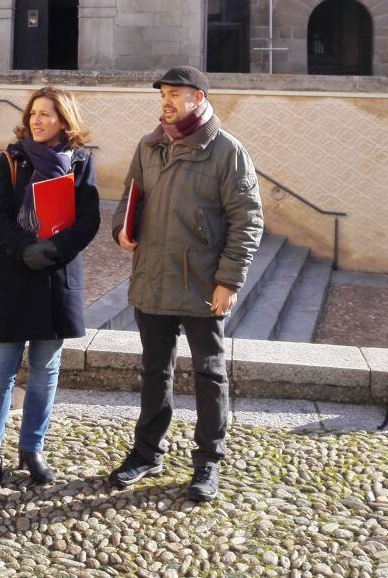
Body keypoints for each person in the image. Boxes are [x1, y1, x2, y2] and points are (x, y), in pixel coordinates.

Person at [108, 66, 263, 502]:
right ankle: (146, 453)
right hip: (152, 279)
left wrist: (228, 280)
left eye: (174, 94)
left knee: (209, 374)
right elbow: (128, 198)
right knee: (154, 371)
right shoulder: (149, 144)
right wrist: (122, 228)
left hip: (202, 284)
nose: (165, 101)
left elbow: (248, 220)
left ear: (198, 97)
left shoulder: (227, 152)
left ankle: (208, 461)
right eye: (162, 94)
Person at [0, 85, 100, 493]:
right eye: (34, 113)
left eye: (47, 114)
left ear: (64, 120)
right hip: (14, 277)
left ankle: (32, 449)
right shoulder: (11, 159)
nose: (37, 119)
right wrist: (24, 248)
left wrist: (54, 249)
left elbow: (89, 220)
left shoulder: (80, 163)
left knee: (45, 372)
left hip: (56, 278)